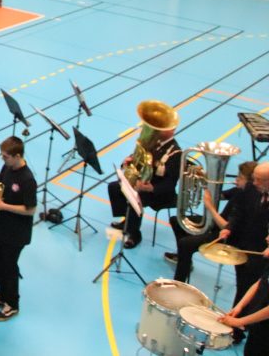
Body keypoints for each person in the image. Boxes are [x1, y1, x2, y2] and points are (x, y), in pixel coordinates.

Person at [166, 160, 256, 282]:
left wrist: (210, 207)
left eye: (240, 178)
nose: (236, 180)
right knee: (177, 221)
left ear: (251, 183)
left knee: (185, 244)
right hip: (215, 226)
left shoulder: (248, 201)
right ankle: (183, 259)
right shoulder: (239, 190)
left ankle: (179, 281)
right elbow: (220, 195)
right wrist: (203, 182)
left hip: (226, 236)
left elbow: (226, 226)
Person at [0, 136, 37, 322]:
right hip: (0, 226)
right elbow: (0, 187)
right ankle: (2, 296)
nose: (2, 159)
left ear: (17, 156)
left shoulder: (28, 179)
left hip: (17, 232)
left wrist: (4, 206)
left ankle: (12, 305)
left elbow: (30, 210)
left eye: (5, 156)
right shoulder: (7, 168)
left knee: (9, 267)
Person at [108, 121, 181, 249]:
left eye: (163, 127)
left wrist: (152, 188)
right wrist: (129, 161)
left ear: (172, 130)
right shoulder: (153, 142)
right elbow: (139, 156)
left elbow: (170, 184)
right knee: (114, 187)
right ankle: (127, 221)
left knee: (135, 198)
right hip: (143, 184)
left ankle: (135, 234)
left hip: (160, 193)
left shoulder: (176, 153)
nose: (158, 129)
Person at [216, 162, 269, 317]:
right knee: (242, 286)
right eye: (254, 178)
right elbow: (238, 211)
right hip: (244, 245)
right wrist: (229, 227)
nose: (254, 182)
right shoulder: (252, 188)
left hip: (262, 254)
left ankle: (239, 323)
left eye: (259, 180)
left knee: (254, 292)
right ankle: (236, 319)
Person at [219, 232, 269, 356]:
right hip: (259, 326)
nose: (266, 238)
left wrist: (239, 322)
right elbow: (259, 282)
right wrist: (239, 307)